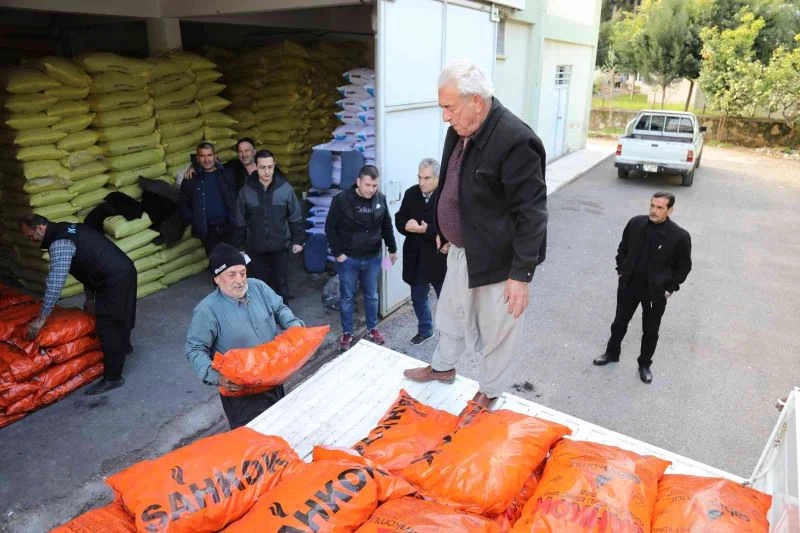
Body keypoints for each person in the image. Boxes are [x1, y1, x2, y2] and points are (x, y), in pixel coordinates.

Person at [403, 61, 548, 409]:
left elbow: (532, 213)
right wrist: (440, 225)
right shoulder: (462, 128)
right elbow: (451, 184)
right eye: (443, 108)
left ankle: (489, 392)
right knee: (450, 316)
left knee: (498, 329)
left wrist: (521, 274)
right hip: (462, 249)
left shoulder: (516, 141)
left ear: (477, 101)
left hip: (499, 260)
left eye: (449, 108)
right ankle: (443, 368)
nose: (445, 118)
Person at [184, 243, 304, 429]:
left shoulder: (258, 287)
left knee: (282, 429)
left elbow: (280, 309)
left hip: (274, 378)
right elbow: (195, 349)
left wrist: (294, 327)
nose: (240, 280)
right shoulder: (207, 311)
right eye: (231, 275)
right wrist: (216, 375)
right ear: (217, 278)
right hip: (242, 393)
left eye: (242, 273)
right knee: (256, 444)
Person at [20, 215, 137, 395]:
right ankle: (124, 347)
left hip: (113, 278)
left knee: (107, 325)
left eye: (31, 236)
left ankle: (113, 378)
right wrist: (90, 298)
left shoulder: (59, 243)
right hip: (123, 269)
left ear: (41, 228)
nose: (31, 240)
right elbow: (87, 262)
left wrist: (41, 318)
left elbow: (55, 283)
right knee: (120, 313)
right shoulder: (68, 228)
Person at [593, 192, 692, 384]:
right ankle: (612, 353)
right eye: (652, 205)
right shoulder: (636, 223)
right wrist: (621, 270)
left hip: (655, 292)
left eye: (660, 207)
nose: (654, 211)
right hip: (629, 285)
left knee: (650, 330)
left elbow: (684, 267)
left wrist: (670, 288)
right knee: (619, 322)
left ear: (670, 210)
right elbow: (623, 248)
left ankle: (644, 364)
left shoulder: (679, 236)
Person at [325, 165, 398, 352]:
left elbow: (387, 225)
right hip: (348, 259)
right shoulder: (342, 200)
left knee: (372, 296)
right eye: (367, 185)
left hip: (372, 258)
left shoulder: (380, 199)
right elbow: (330, 228)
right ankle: (347, 332)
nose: (371, 189)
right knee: (347, 297)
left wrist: (392, 248)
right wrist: (338, 253)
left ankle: (373, 329)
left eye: (375, 186)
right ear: (358, 182)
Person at [234, 149, 304, 301]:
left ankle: (284, 319)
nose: (266, 171)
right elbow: (240, 221)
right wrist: (239, 247)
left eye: (270, 167)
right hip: (255, 249)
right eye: (262, 167)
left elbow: (295, 216)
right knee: (258, 286)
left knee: (281, 285)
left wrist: (298, 240)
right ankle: (262, 320)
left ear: (274, 166)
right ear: (256, 167)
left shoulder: (285, 189)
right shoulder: (246, 191)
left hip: (280, 248)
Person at [394, 158, 447, 346]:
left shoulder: (446, 195)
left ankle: (450, 336)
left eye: (427, 178)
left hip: (439, 259)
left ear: (438, 178)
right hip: (415, 259)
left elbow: (450, 227)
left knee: (447, 301)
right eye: (419, 177)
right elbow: (399, 218)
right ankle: (425, 330)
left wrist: (426, 230)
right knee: (418, 297)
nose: (422, 182)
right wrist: (405, 225)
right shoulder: (411, 194)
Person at [178, 142, 237, 256]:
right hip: (208, 231)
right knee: (215, 265)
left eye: (209, 155)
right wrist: (195, 218)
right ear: (197, 158)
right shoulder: (191, 179)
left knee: (233, 263)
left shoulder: (226, 174)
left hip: (229, 227)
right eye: (202, 156)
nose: (206, 159)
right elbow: (182, 203)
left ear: (215, 156)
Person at [181, 137, 256, 192]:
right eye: (240, 151)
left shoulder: (264, 166)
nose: (243, 154)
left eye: (247, 150)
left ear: (254, 152)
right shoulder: (234, 166)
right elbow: (213, 163)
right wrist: (194, 166)